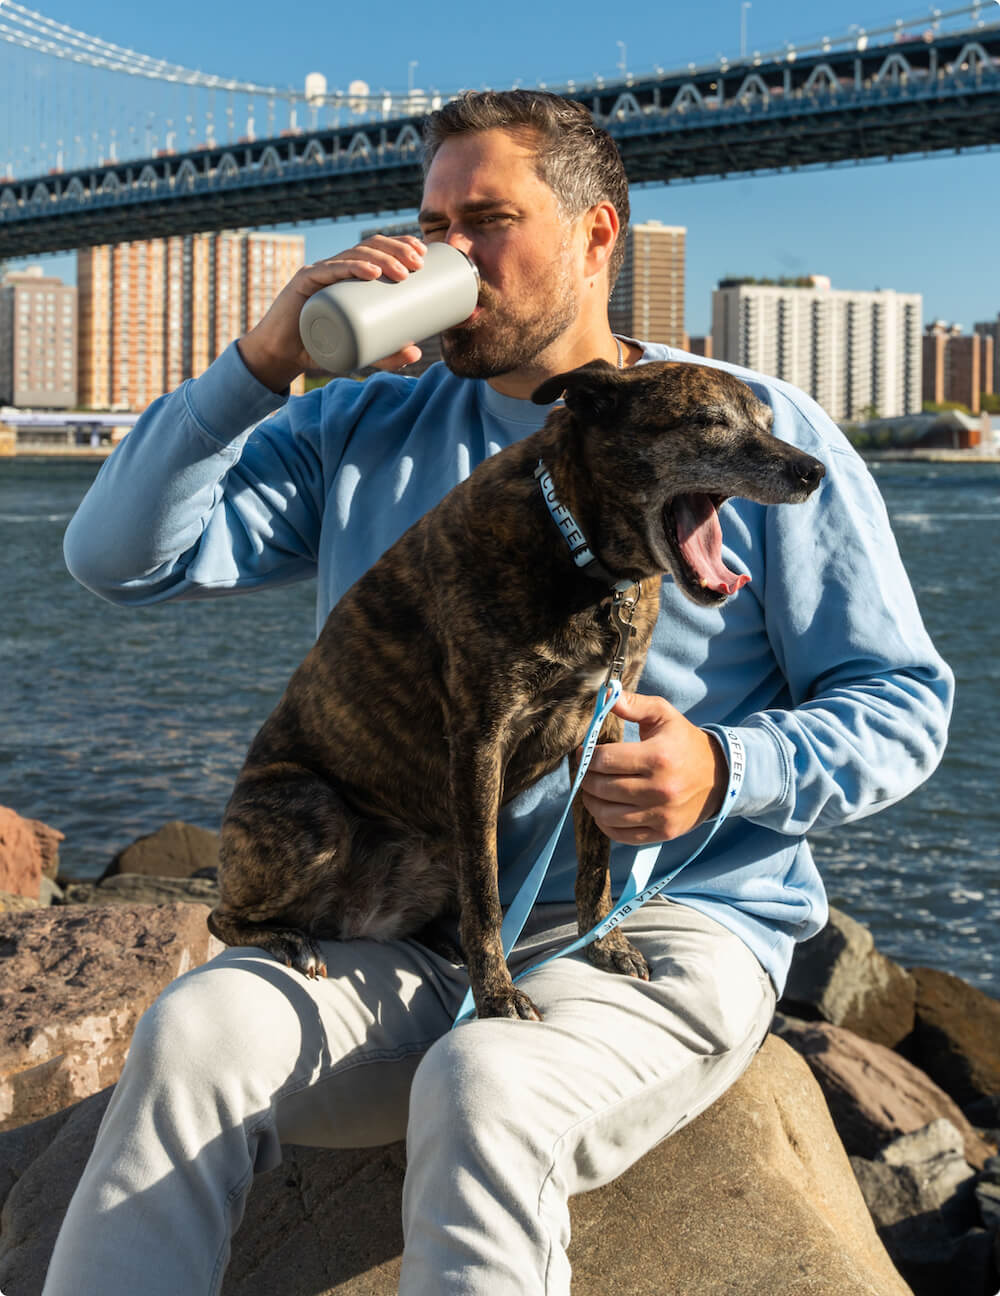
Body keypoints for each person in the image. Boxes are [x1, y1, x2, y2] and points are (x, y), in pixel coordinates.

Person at [46, 90, 952, 1295]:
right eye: (431, 222)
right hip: (413, 923)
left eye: (488, 219)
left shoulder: (746, 434)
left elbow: (900, 701)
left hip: (657, 928)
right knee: (192, 1031)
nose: (447, 254)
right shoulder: (361, 425)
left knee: (488, 1086)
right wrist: (260, 364)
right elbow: (116, 557)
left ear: (595, 236)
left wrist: (722, 770)